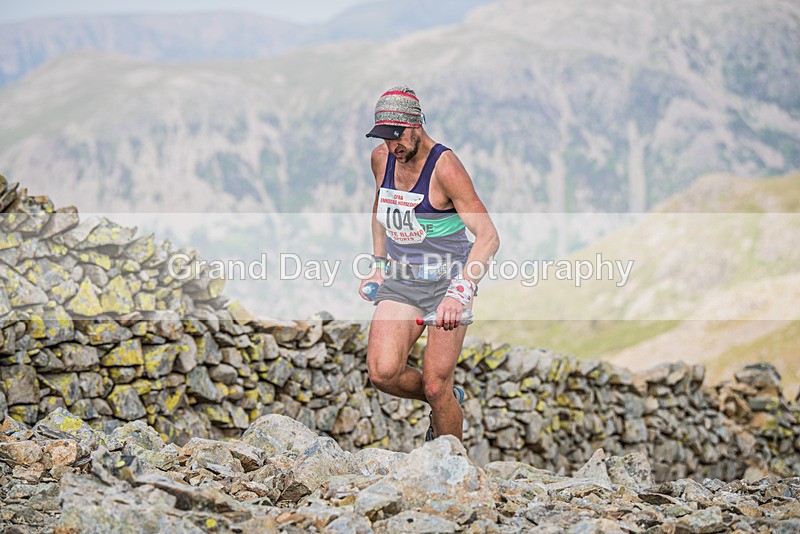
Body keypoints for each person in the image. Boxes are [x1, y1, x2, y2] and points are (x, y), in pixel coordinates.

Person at [360, 85, 500, 443]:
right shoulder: (381, 158)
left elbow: (488, 236)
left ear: (416, 126)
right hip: (403, 278)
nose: (394, 147)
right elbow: (380, 211)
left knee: (436, 384)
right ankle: (446, 402)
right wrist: (378, 264)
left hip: (447, 282)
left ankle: (454, 467)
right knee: (382, 372)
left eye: (398, 137)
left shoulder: (446, 167)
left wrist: (461, 292)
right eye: (385, 138)